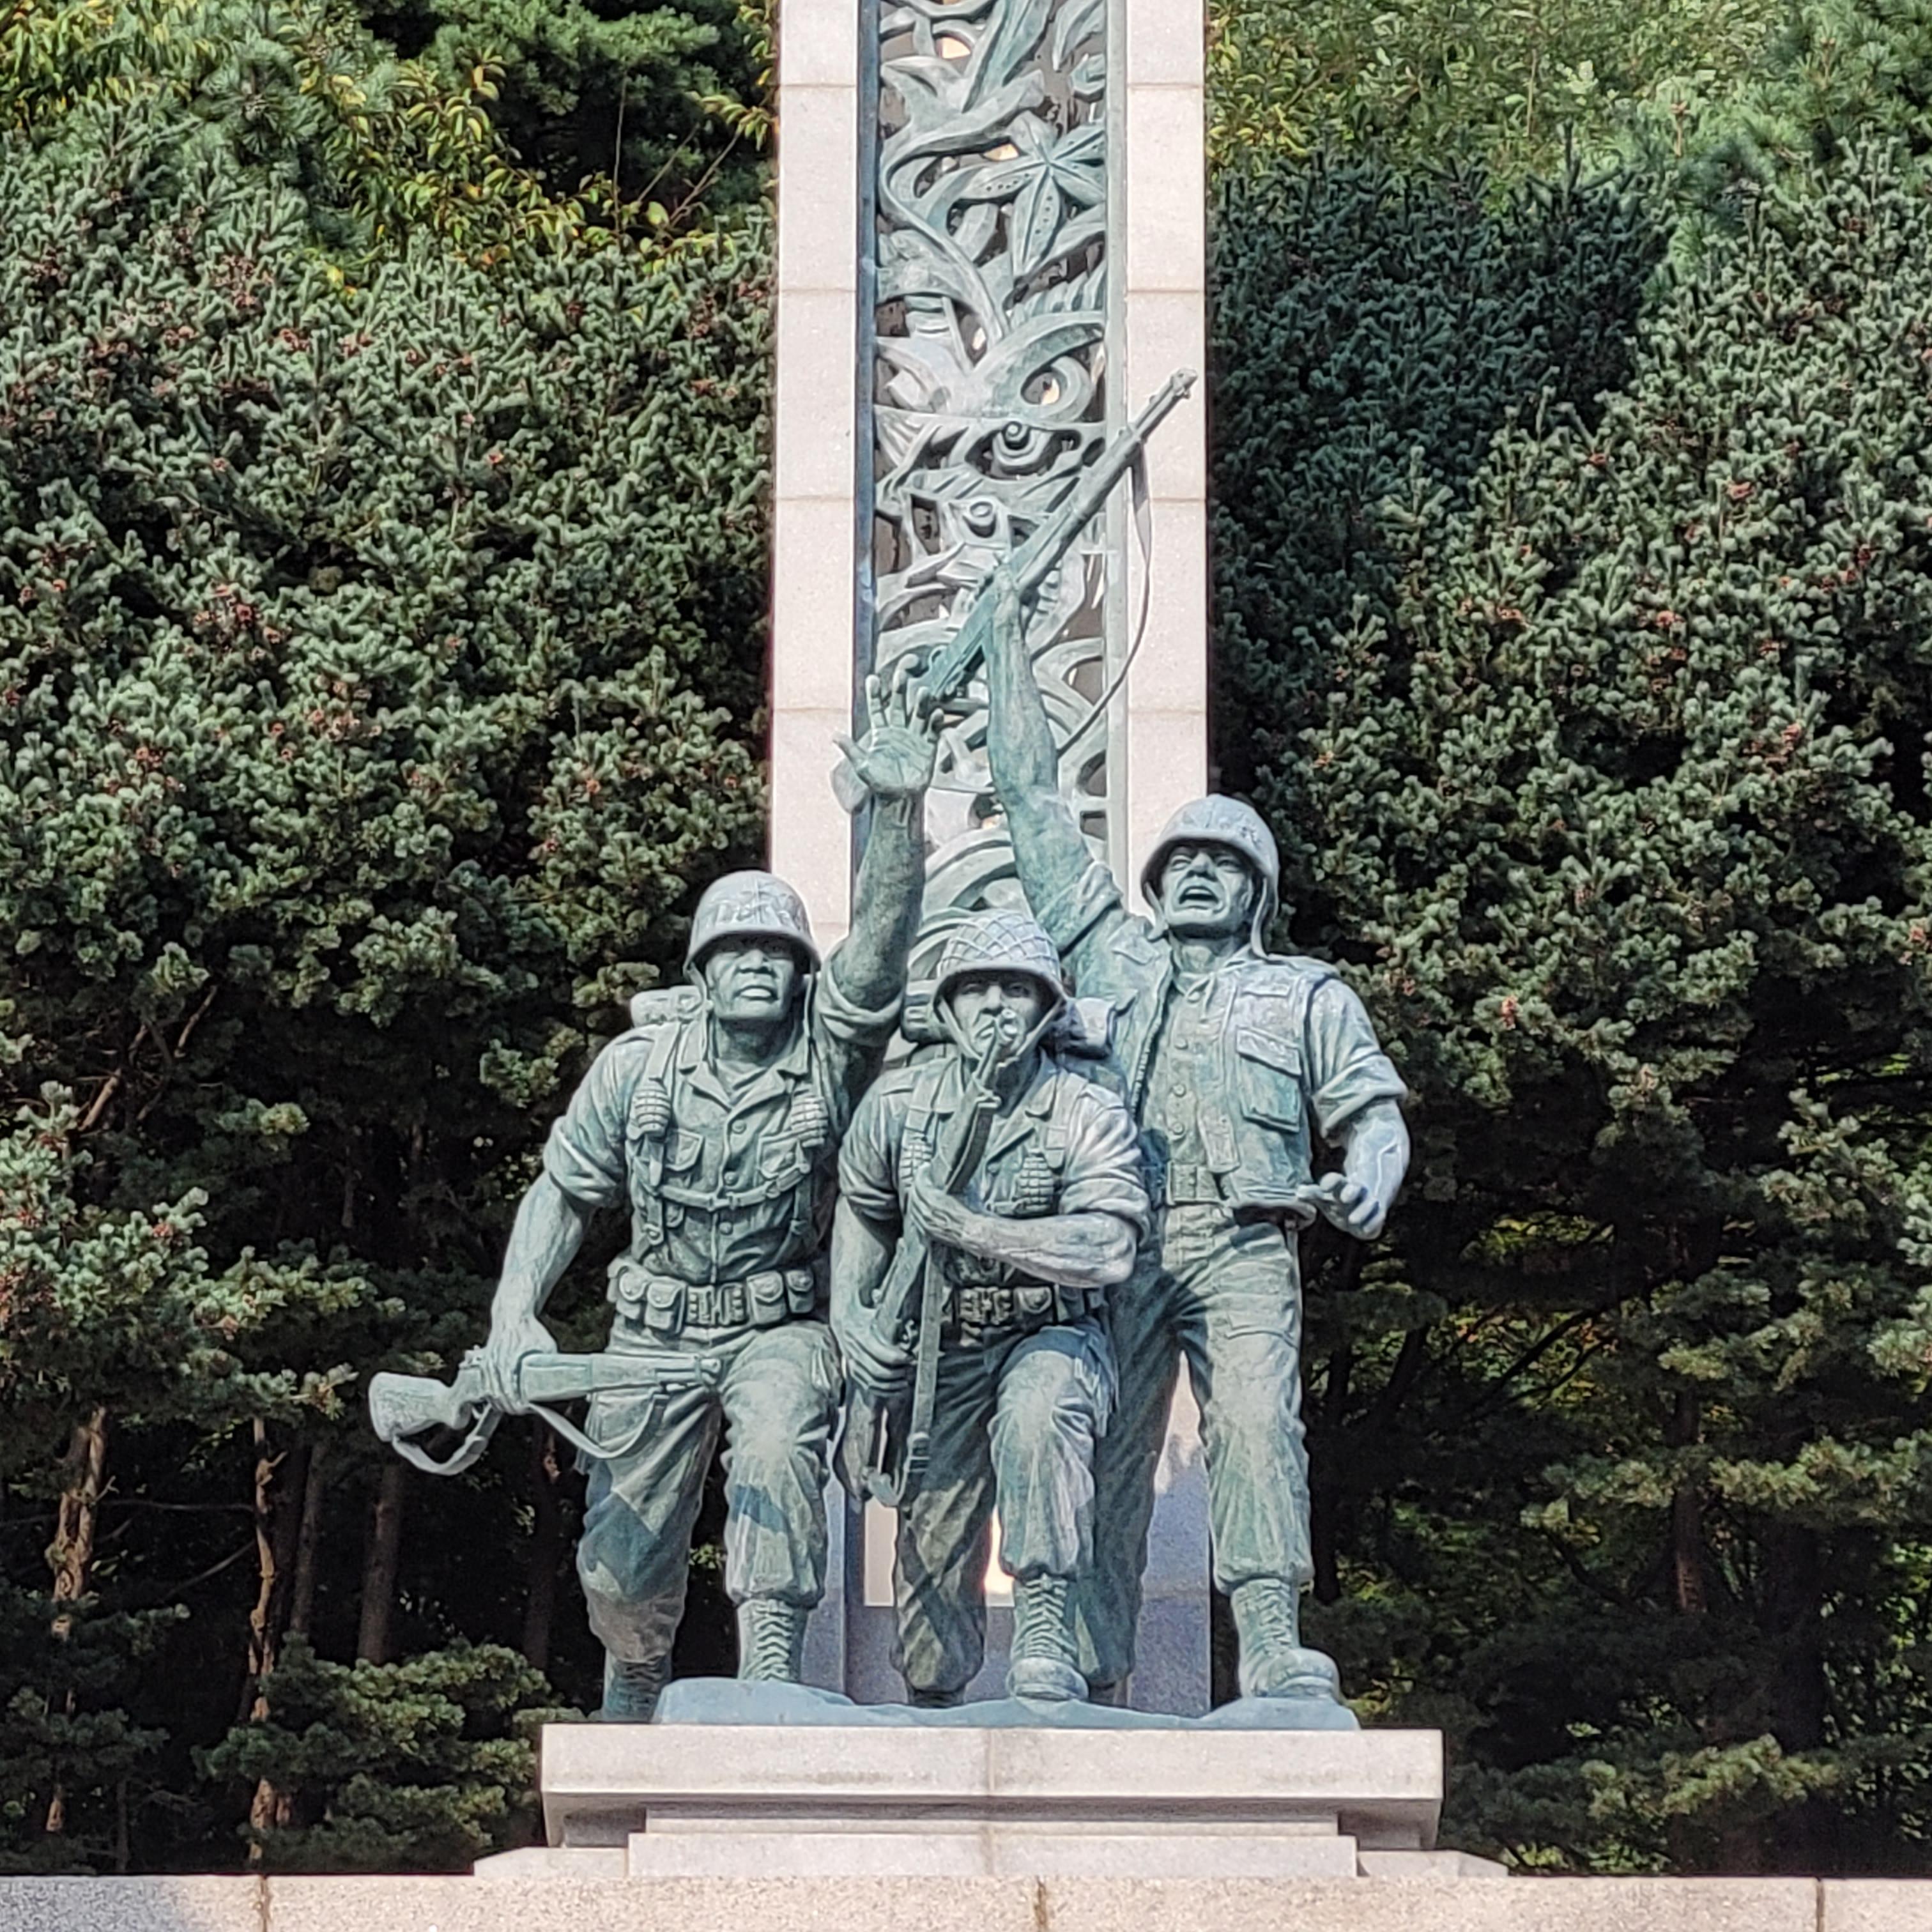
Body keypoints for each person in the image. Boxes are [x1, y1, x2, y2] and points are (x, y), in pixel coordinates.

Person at [981, 574, 1410, 1705]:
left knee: (1259, 1430)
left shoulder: (1305, 993)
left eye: (1224, 864)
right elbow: (1033, 804)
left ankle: (1268, 1638)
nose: (1199, 874)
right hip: (1117, 1242)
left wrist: (1369, 1173)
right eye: (1182, 862)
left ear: (1255, 891)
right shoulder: (1109, 955)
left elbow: (1370, 1109)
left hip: (1244, 1239)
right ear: (1157, 882)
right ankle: (1086, 1658)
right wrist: (1004, 644)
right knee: (1103, 1443)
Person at [479, 673, 939, 1720]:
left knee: (777, 1451)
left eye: (777, 954)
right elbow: (563, 1190)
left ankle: (770, 1665)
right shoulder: (638, 1066)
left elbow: (876, 954)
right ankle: (635, 1667)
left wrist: (897, 814)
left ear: (799, 973)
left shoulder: (828, 1052)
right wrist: (514, 1310)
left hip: (780, 1324)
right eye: (735, 952)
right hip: (653, 1330)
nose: (758, 968)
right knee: (618, 1564)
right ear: (701, 971)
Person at [831, 910, 1149, 1705]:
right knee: (931, 1582)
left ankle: (1044, 1628)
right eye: (977, 990)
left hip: (1052, 1332)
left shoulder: (1083, 1109)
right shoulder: (898, 1107)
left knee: (1042, 1419)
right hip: (941, 1349)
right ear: (948, 1007)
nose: (997, 1007)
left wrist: (977, 1229)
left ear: (1046, 1008)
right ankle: (933, 1695)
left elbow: (1109, 1245)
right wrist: (855, 1330)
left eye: (1017, 989)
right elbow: (863, 1213)